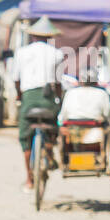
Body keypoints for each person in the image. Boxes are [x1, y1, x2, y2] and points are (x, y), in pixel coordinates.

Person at [10, 16, 64, 191]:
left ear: (33, 36)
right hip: (47, 98)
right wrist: (59, 101)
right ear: (49, 37)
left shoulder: (21, 53)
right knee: (53, 125)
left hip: (28, 98)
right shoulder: (57, 54)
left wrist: (20, 96)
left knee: (25, 138)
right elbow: (58, 84)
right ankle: (50, 150)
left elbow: (16, 80)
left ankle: (29, 180)